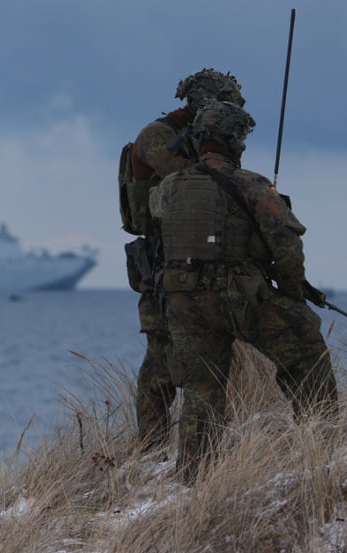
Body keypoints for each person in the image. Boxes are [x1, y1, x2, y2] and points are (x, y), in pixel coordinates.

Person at [149, 99, 338, 482]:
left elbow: (156, 212)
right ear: (236, 142)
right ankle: (324, 446)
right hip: (239, 296)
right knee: (304, 348)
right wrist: (291, 295)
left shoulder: (168, 188)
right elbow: (286, 244)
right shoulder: (251, 185)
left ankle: (195, 478)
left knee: (202, 392)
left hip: (183, 302)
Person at [119, 68, 245, 451]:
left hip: (198, 257)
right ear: (205, 103)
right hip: (162, 260)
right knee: (160, 356)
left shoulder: (202, 138)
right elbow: (193, 183)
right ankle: (152, 446)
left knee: (207, 355)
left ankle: (201, 440)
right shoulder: (157, 138)